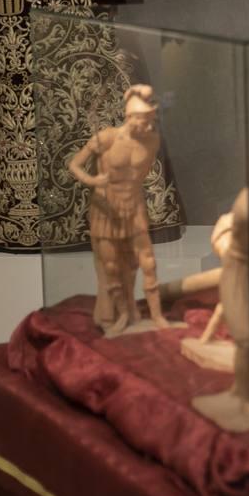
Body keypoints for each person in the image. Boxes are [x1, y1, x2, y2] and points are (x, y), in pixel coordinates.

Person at [67, 84, 169, 334]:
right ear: (131, 117)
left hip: (133, 204)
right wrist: (93, 181)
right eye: (144, 121)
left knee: (146, 262)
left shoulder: (152, 140)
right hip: (106, 207)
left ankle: (155, 316)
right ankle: (122, 314)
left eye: (151, 120)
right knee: (111, 266)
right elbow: (75, 165)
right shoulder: (107, 138)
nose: (148, 126)